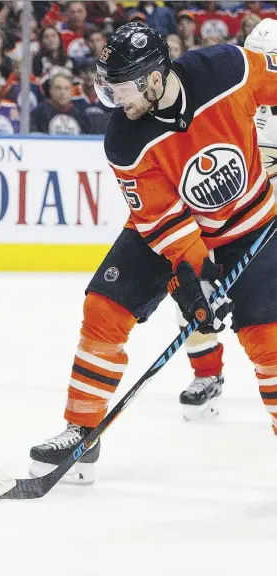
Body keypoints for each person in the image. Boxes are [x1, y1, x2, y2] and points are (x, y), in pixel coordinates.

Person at [29, 22, 277, 485]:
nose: (116, 100)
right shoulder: (124, 138)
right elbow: (164, 223)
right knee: (103, 309)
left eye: (122, 88)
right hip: (174, 229)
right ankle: (81, 430)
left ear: (155, 78)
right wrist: (198, 279)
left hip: (250, 225)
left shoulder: (228, 69)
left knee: (269, 342)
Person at [176, 18, 277, 420]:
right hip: (218, 226)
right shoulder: (227, 96)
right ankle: (207, 374)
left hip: (264, 226)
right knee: (195, 298)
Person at [33, 26, 74, 98]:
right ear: (41, 41)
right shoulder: (37, 60)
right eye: (46, 37)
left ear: (59, 39)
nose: (51, 39)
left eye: (53, 36)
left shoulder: (69, 60)